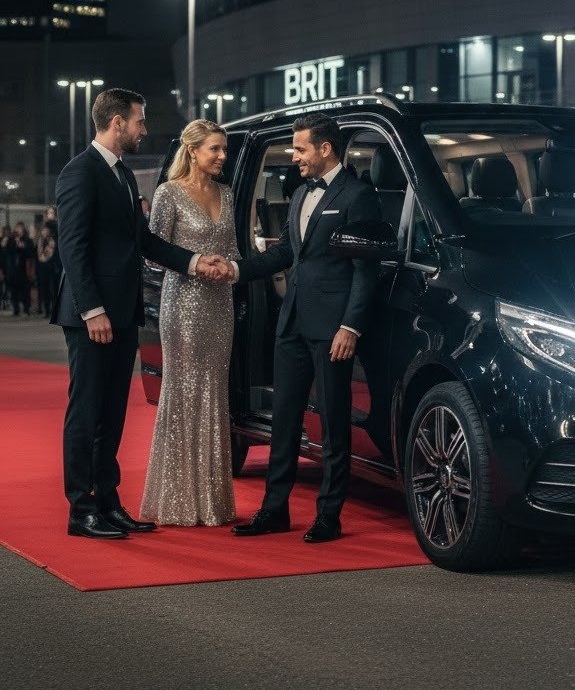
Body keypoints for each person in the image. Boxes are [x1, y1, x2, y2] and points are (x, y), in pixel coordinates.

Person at [52, 88, 227, 540]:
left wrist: (194, 261)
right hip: (92, 316)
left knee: (111, 413)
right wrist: (92, 310)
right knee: (86, 411)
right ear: (116, 123)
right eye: (139, 121)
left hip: (123, 314)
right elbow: (72, 249)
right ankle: (81, 509)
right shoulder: (80, 173)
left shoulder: (123, 176)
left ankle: (107, 502)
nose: (144, 129)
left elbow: (143, 243)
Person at [226, 112, 381, 544]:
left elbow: (365, 271)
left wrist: (350, 327)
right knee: (283, 423)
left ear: (325, 149)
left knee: (333, 425)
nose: (294, 157)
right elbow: (286, 256)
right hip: (291, 323)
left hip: (332, 330)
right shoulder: (298, 195)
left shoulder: (357, 196)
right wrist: (237, 271)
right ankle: (273, 511)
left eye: (300, 149)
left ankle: (328, 516)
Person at [140, 120, 240, 526]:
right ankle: (178, 500)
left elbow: (232, 247)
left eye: (224, 150)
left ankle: (213, 502)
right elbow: (152, 253)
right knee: (182, 391)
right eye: (215, 149)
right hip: (183, 304)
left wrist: (227, 266)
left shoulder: (228, 194)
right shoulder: (168, 193)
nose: (222, 156)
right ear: (193, 150)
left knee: (215, 392)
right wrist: (196, 264)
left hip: (220, 303)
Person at [7, 222, 35, 317]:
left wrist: (24, 247)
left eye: (20, 228)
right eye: (17, 228)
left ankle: (26, 309)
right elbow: (7, 253)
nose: (18, 230)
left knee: (25, 290)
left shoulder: (27, 240)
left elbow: (31, 254)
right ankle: (16, 309)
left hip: (24, 270)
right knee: (14, 290)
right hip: (13, 270)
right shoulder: (11, 240)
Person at [36, 220, 58, 317]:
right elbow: (37, 255)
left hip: (51, 268)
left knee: (52, 290)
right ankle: (46, 309)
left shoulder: (53, 242)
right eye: (43, 231)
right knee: (43, 290)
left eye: (46, 231)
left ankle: (54, 310)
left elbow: (54, 255)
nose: (44, 233)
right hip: (41, 268)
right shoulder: (39, 242)